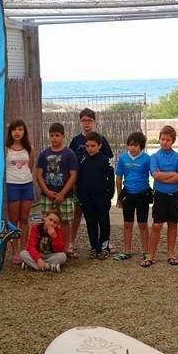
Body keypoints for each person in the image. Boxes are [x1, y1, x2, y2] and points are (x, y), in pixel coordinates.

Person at [69, 108, 113, 251]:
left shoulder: (102, 140)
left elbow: (108, 164)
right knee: (78, 214)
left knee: (102, 218)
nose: (86, 123)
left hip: (99, 190)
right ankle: (72, 242)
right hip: (80, 185)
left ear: (94, 122)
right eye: (84, 120)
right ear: (80, 122)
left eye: (89, 120)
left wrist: (109, 193)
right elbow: (70, 161)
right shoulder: (76, 140)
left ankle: (104, 243)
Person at [142, 125, 178, 268]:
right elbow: (156, 175)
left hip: (175, 195)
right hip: (160, 194)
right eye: (162, 139)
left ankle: (171, 254)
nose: (164, 142)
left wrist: (165, 176)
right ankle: (151, 255)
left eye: (168, 140)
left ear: (173, 141)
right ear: (159, 139)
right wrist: (172, 174)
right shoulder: (154, 157)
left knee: (173, 224)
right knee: (157, 225)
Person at [35, 122, 79, 257]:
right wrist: (47, 191)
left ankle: (66, 248)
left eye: (57, 135)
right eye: (51, 135)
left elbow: (73, 175)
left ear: (63, 136)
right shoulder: (44, 154)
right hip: (47, 195)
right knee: (46, 220)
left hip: (65, 195)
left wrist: (62, 193)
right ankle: (46, 247)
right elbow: (39, 174)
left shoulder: (69, 154)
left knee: (65, 221)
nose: (54, 138)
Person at [76, 132, 115, 259]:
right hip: (87, 200)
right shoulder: (82, 161)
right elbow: (79, 180)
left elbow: (111, 179)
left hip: (102, 199)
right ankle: (94, 247)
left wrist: (109, 195)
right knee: (90, 223)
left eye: (93, 146)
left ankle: (103, 247)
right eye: (87, 146)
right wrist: (80, 197)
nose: (90, 148)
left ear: (99, 146)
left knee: (103, 223)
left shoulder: (105, 161)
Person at [114, 132, 151, 261]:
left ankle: (146, 251)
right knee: (127, 223)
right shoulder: (123, 158)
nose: (132, 148)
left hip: (142, 194)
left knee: (143, 224)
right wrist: (119, 197)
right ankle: (127, 251)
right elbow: (118, 178)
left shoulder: (147, 159)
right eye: (130, 145)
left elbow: (155, 176)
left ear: (141, 146)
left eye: (135, 145)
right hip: (128, 194)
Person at [4, 119, 34, 265]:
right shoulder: (6, 148)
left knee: (24, 218)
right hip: (11, 185)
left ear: (24, 131)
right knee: (13, 220)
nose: (17, 132)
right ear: (10, 132)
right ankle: (15, 252)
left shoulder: (29, 148)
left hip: (27, 184)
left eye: (20, 129)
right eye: (14, 129)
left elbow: (31, 165)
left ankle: (24, 249)